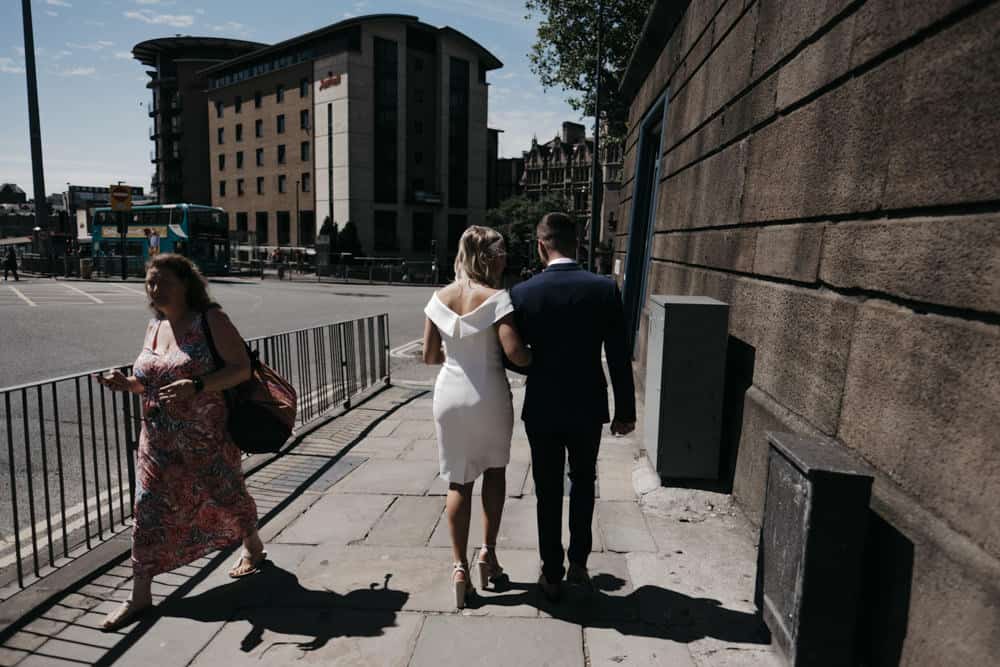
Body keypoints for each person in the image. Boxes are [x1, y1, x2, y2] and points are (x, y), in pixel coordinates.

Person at [96, 253, 265, 631]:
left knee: (227, 494)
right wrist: (128, 384)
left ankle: (253, 544)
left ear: (186, 284)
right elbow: (151, 381)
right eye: (151, 283)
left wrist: (199, 385)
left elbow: (241, 369)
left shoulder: (211, 320)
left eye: (164, 282)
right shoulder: (155, 326)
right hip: (157, 441)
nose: (155, 289)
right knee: (148, 508)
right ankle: (140, 595)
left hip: (206, 438)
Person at [509, 212, 636, 603]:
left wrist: (536, 362)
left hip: (543, 405)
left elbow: (511, 355)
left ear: (541, 244)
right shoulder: (603, 289)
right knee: (583, 482)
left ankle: (551, 573)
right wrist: (625, 410)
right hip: (587, 404)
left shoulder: (523, 293)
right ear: (576, 243)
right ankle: (579, 564)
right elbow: (617, 355)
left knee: (547, 490)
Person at [422, 226, 532, 609]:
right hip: (488, 396)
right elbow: (515, 352)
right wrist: (539, 360)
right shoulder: (498, 299)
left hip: (449, 395)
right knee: (495, 473)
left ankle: (458, 568)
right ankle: (488, 554)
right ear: (488, 257)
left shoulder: (438, 298)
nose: (505, 259)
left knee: (458, 482)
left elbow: (429, 356)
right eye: (501, 253)